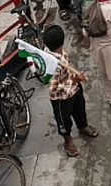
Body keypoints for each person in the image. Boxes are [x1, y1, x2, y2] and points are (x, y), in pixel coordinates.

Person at [42, 24, 98, 156]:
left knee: (80, 109)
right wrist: (74, 80)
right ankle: (67, 139)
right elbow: (53, 87)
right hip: (61, 98)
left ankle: (82, 126)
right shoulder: (52, 65)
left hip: (74, 90)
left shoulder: (60, 53)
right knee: (64, 119)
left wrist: (74, 80)